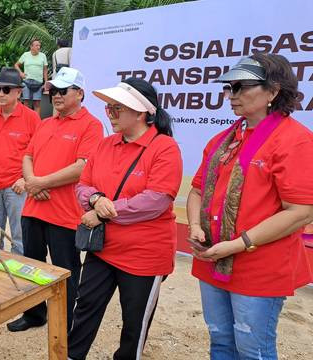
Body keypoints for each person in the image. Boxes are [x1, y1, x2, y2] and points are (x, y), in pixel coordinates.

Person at [187, 54, 313, 360]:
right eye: (230, 87)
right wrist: (193, 227)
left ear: (273, 92)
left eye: (242, 86)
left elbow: (301, 211)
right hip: (212, 258)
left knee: (252, 349)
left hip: (258, 267)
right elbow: (196, 190)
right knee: (219, 341)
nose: (233, 94)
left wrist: (239, 244)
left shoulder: (294, 140)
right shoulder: (224, 138)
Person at [68, 78, 182, 360]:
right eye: (109, 108)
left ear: (141, 111)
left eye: (118, 108)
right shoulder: (106, 144)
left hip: (144, 255)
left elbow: (156, 200)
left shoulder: (164, 147)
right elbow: (82, 185)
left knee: (134, 322)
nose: (111, 114)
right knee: (85, 306)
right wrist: (95, 199)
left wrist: (104, 210)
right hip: (103, 248)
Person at [6, 67, 103, 332]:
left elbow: (83, 167)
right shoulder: (46, 122)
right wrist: (32, 183)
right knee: (31, 265)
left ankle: (65, 324)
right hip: (33, 208)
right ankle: (35, 314)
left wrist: (39, 183)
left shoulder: (92, 125)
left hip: (65, 215)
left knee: (65, 273)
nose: (56, 95)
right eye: (53, 91)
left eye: (63, 90)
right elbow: (28, 157)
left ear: (80, 93)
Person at [0, 68, 40, 254]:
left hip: (17, 187)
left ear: (19, 92)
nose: (0, 94)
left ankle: (17, 277)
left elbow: (38, 153)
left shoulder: (32, 118)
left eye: (6, 89)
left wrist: (25, 180)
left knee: (19, 235)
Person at [15, 38, 48, 117]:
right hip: (26, 82)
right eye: (36, 45)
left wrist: (46, 82)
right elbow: (16, 65)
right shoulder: (25, 55)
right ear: (31, 46)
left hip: (38, 83)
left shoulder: (43, 56)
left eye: (39, 45)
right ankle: (25, 122)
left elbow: (45, 70)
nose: (38, 47)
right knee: (26, 103)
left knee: (37, 103)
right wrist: (21, 73)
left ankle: (37, 123)